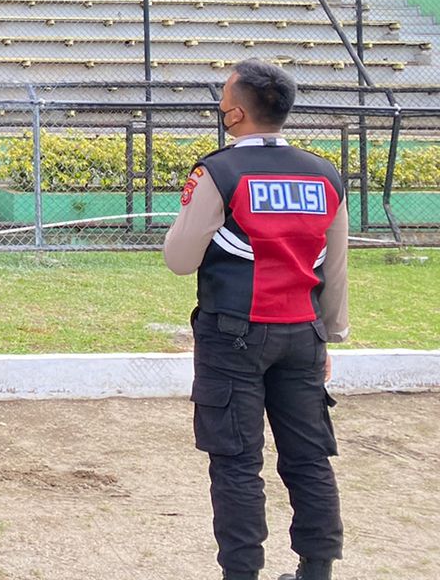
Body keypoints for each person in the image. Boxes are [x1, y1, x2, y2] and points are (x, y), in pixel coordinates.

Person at [163, 60, 348, 580]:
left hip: (233, 333)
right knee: (309, 458)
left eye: (224, 94)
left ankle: (241, 573)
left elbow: (180, 260)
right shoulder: (325, 173)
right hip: (304, 334)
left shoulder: (218, 171)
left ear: (235, 112)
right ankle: (317, 569)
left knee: (237, 461)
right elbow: (335, 267)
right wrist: (328, 336)